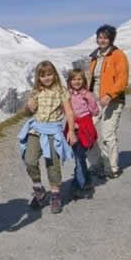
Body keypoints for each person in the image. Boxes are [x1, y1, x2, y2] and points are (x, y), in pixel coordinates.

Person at [17, 61, 76, 214]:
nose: (47, 78)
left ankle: (55, 195)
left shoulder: (61, 91)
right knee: (30, 160)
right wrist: (28, 108)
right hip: (35, 129)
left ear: (54, 74)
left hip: (53, 130)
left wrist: (71, 131)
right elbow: (28, 113)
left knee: (53, 164)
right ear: (38, 77)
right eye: (43, 76)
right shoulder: (35, 91)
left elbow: (69, 111)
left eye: (49, 74)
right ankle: (39, 189)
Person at [86, 24, 129, 179]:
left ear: (111, 39)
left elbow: (122, 80)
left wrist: (110, 95)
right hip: (95, 100)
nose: (102, 40)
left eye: (106, 37)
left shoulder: (118, 55)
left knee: (107, 134)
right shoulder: (94, 56)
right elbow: (92, 80)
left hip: (113, 100)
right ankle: (97, 163)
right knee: (86, 131)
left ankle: (111, 168)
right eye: (100, 37)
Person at [65, 68, 99, 198]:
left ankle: (78, 185)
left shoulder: (87, 94)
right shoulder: (67, 95)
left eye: (79, 79)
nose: (77, 81)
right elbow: (64, 111)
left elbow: (95, 112)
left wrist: (90, 99)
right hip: (72, 127)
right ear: (70, 81)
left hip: (84, 128)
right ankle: (87, 181)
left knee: (79, 156)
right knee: (79, 156)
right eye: (74, 79)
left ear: (83, 80)